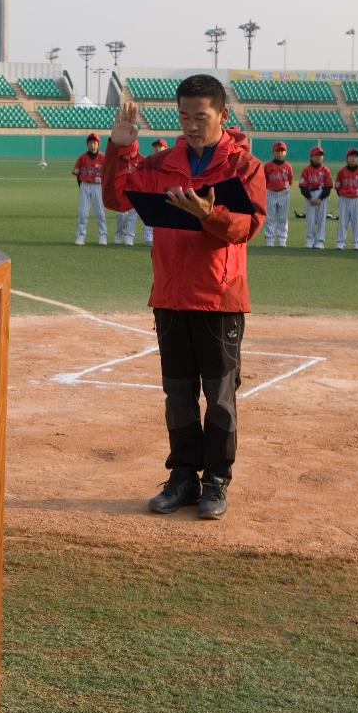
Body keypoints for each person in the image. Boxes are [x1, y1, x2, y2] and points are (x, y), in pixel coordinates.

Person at [102, 74, 266, 521]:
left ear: (222, 117)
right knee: (177, 395)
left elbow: (248, 226)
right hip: (170, 298)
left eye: (201, 117)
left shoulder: (243, 166)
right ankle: (182, 478)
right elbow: (118, 199)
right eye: (184, 117)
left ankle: (216, 481)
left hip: (219, 299)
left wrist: (210, 213)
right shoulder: (160, 165)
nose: (192, 126)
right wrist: (120, 148)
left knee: (219, 397)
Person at [72, 133, 108, 245]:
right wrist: (82, 186)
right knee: (83, 212)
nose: (93, 144)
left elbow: (107, 174)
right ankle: (80, 236)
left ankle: (103, 236)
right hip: (85, 184)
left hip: (98, 186)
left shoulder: (103, 157)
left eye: (95, 142)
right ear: (87, 144)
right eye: (90, 142)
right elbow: (77, 174)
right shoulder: (82, 157)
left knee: (100, 212)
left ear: (98, 144)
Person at [299, 146, 332, 249]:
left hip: (322, 194)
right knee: (310, 219)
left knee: (322, 219)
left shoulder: (326, 170)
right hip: (310, 194)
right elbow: (302, 186)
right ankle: (310, 239)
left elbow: (328, 186)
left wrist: (320, 198)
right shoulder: (306, 170)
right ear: (311, 156)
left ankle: (320, 241)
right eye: (316, 155)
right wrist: (310, 198)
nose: (318, 157)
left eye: (320, 155)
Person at [262, 141, 293, 247]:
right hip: (270, 192)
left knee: (283, 217)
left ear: (285, 152)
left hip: (284, 193)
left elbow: (290, 181)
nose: (280, 153)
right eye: (278, 151)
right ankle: (269, 239)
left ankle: (282, 239)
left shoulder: (288, 167)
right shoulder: (267, 166)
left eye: (282, 151)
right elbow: (264, 180)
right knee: (270, 217)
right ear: (273, 152)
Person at [334, 148, 358, 250]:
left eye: (356, 157)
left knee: (357, 222)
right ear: (347, 158)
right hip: (344, 199)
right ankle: (340, 242)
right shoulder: (342, 172)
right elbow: (338, 187)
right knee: (342, 221)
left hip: (356, 199)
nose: (353, 158)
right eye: (351, 156)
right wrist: (343, 194)